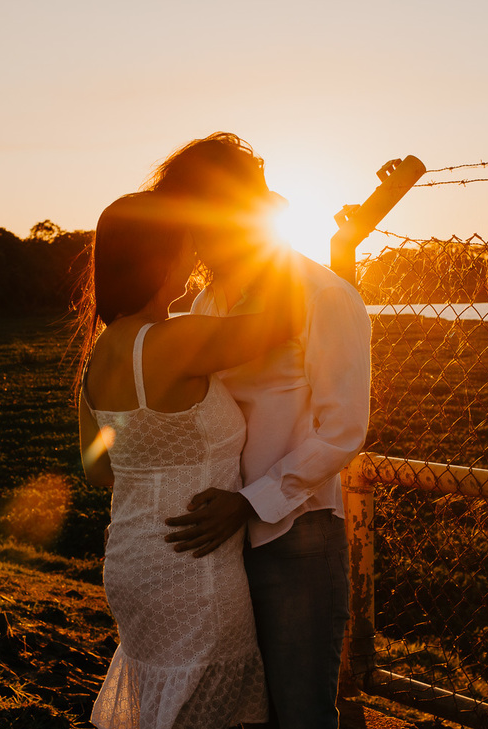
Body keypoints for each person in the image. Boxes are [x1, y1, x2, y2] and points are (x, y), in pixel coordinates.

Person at [155, 133, 373, 729]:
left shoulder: (325, 294)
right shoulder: (206, 302)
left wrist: (250, 502)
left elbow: (343, 429)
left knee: (301, 714)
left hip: (294, 535)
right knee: (238, 712)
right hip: (218, 542)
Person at [76, 191, 300, 729]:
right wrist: (272, 229)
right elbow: (282, 320)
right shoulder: (175, 340)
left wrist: (156, 457)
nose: (195, 253)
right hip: (191, 566)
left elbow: (98, 468)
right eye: (184, 243)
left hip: (132, 561)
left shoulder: (100, 354)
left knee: (164, 707)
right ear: (159, 257)